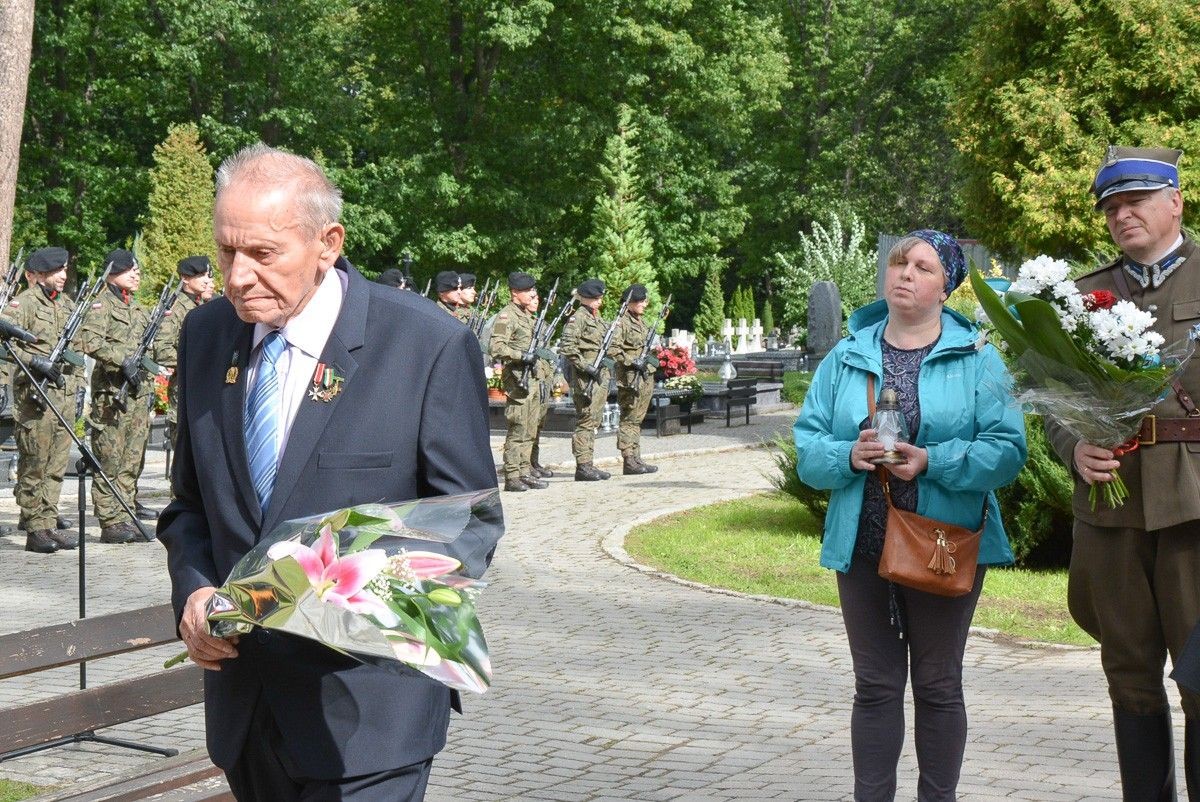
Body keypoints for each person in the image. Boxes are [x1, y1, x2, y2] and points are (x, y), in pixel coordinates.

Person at [158, 144, 500, 801]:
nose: (237, 277)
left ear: (327, 243)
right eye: (227, 251)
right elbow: (190, 508)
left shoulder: (424, 345)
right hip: (246, 714)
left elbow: (467, 527)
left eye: (263, 254)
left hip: (369, 717)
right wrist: (196, 593)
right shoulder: (206, 336)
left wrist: (321, 588)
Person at [793, 230, 1026, 801]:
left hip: (941, 543)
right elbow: (807, 447)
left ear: (947, 284)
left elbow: (1007, 449)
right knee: (874, 687)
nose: (905, 273)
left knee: (939, 685)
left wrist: (933, 461)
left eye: (923, 267)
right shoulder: (847, 356)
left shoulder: (978, 359)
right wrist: (847, 455)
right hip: (863, 545)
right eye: (899, 262)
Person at [1045, 146, 1200, 800]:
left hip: (1196, 505)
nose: (1121, 214)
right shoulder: (1082, 296)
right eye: (1110, 206)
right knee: (1129, 676)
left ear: (1175, 202)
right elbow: (1051, 396)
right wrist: (1073, 448)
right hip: (1112, 509)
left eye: (1134, 201)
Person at [78, 249, 155, 544]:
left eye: (137, 269)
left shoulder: (136, 307)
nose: (136, 274)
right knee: (109, 458)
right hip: (111, 395)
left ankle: (124, 513)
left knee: (131, 460)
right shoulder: (102, 305)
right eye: (130, 269)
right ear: (112, 273)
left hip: (137, 394)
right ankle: (110, 521)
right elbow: (88, 340)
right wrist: (122, 359)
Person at [4, 246, 78, 553]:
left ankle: (48, 523)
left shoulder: (66, 303)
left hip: (62, 396)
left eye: (64, 271)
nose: (63, 276)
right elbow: (4, 343)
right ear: (42, 273)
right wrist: (34, 361)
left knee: (56, 465)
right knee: (35, 464)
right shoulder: (24, 303)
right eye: (57, 271)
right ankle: (34, 529)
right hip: (34, 397)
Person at [488, 272, 552, 491]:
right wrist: (520, 355)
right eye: (527, 290)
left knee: (529, 427)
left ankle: (525, 471)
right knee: (518, 427)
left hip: (532, 378)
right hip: (518, 379)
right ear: (515, 293)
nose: (533, 294)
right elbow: (496, 347)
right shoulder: (507, 316)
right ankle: (512, 475)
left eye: (533, 290)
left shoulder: (528, 316)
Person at [559, 278, 612, 481]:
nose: (599, 301)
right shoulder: (578, 318)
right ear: (586, 299)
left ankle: (588, 463)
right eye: (596, 298)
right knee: (586, 420)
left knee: (594, 419)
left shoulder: (596, 318)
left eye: (600, 298)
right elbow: (568, 348)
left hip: (598, 376)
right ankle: (582, 466)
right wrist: (586, 366)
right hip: (585, 377)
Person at [156, 255, 216, 424]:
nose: (206, 280)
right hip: (184, 389)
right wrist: (195, 361)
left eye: (207, 275)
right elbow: (162, 349)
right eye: (200, 276)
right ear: (185, 279)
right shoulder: (175, 308)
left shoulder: (200, 306)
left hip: (203, 387)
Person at [608, 284, 659, 475]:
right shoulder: (622, 323)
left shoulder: (640, 322)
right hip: (630, 377)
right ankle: (628, 458)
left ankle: (637, 458)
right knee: (629, 418)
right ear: (631, 302)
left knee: (637, 419)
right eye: (642, 301)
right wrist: (632, 361)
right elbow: (613, 349)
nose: (645, 304)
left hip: (644, 376)